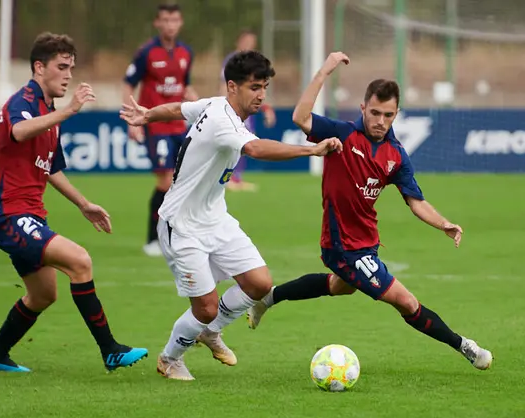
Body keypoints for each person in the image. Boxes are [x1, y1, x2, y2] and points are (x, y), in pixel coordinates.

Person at [245, 52, 494, 371]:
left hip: (366, 240)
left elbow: (415, 200)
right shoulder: (342, 134)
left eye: (388, 115)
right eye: (374, 112)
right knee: (406, 302)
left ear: (396, 114)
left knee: (340, 286)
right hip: (341, 245)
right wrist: (325, 70)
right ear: (363, 108)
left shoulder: (396, 155)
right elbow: (300, 117)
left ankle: (269, 298)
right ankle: (466, 346)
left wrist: (443, 223)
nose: (380, 121)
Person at [119, 50, 342, 381]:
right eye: (254, 87)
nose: (261, 95)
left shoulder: (211, 104)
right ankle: (170, 358)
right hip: (181, 225)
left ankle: (210, 332)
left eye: (264, 86)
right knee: (206, 307)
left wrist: (147, 115)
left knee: (259, 283)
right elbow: (255, 148)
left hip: (215, 218)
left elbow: (178, 109)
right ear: (233, 86)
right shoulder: (223, 120)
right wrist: (311, 149)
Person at [0, 32, 148, 373]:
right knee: (80, 261)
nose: (68, 75)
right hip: (7, 214)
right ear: (39, 67)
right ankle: (110, 350)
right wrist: (70, 111)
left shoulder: (47, 110)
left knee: (43, 295)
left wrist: (84, 204)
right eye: (61, 67)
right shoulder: (22, 102)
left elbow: (51, 169)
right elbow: (20, 132)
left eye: (71, 67)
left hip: (28, 215)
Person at [122, 3, 198, 257]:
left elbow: (184, 87)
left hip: (180, 124)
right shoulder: (146, 52)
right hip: (155, 125)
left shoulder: (187, 52)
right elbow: (128, 84)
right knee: (165, 180)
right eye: (165, 20)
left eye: (174, 20)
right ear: (157, 23)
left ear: (180, 23)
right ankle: (153, 239)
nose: (170, 25)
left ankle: (176, 234)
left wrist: (198, 104)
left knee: (181, 181)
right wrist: (131, 120)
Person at [218, 30, 276, 192]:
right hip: (234, 107)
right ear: (239, 42)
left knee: (245, 142)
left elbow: (260, 88)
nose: (249, 45)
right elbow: (224, 84)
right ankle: (228, 178)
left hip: (248, 109)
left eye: (252, 42)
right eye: (246, 41)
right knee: (234, 142)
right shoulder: (232, 61)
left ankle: (236, 178)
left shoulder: (255, 63)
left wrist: (267, 108)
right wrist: (224, 106)